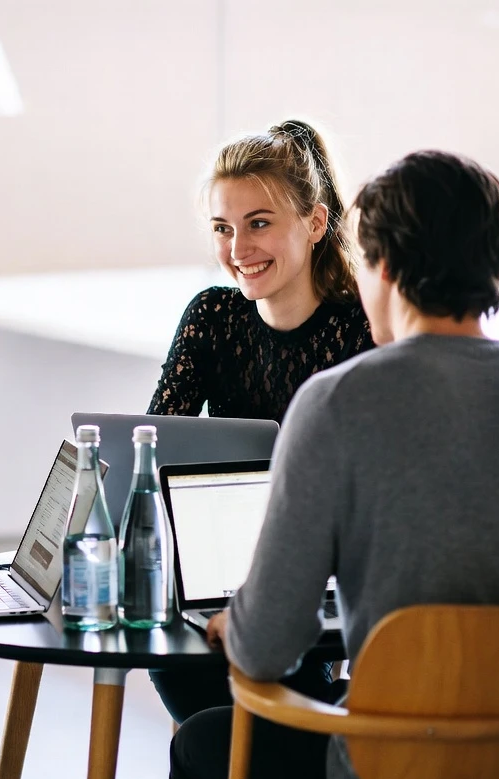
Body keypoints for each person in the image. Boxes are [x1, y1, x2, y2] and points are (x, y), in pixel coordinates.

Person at [170, 150, 499, 779]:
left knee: (201, 742)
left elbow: (268, 646)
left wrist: (234, 626)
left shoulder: (336, 404)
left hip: (399, 757)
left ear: (382, 267)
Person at [148, 120, 373, 731]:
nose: (238, 249)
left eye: (259, 223)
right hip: (223, 573)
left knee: (223, 732)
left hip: (324, 586)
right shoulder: (211, 317)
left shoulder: (360, 328)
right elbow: (152, 450)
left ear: (316, 224)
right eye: (223, 228)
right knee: (174, 667)